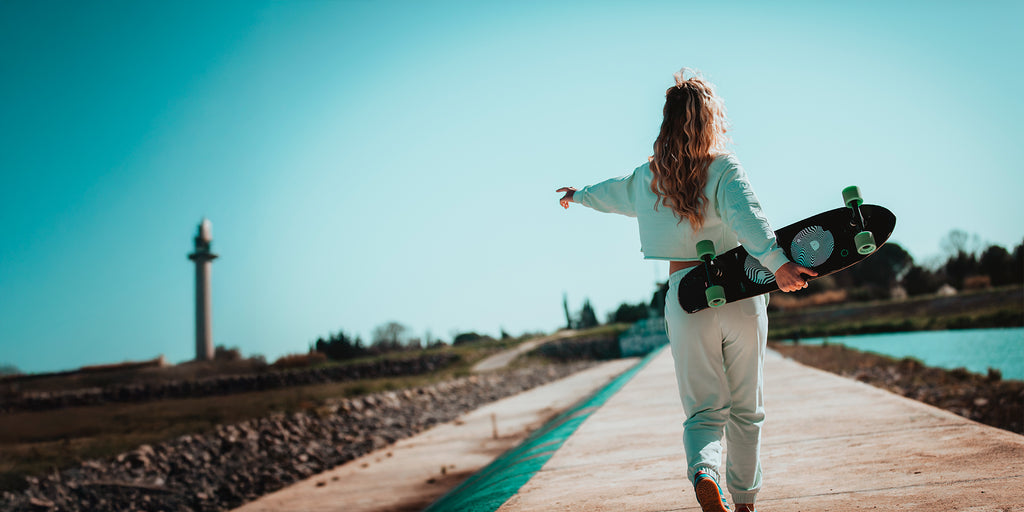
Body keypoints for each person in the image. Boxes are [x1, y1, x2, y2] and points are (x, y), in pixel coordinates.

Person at [556, 68, 815, 512]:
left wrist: (577, 195)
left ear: (668, 120)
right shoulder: (724, 168)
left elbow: (610, 194)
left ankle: (705, 472)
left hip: (687, 296)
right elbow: (750, 221)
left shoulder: (648, 178)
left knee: (704, 411)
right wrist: (779, 266)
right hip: (740, 291)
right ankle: (745, 503)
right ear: (712, 118)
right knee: (746, 409)